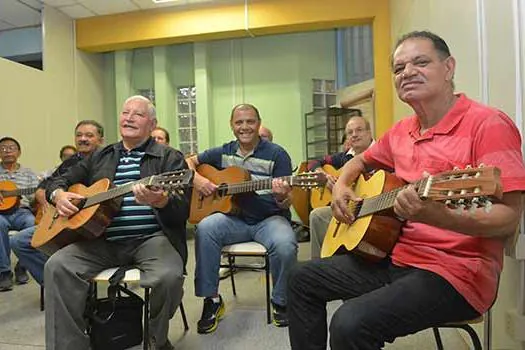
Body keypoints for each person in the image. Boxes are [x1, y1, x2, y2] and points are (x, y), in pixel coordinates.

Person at [287, 31, 525, 350]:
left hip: (457, 272)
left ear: (449, 67)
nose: (407, 72)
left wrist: (437, 217)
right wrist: (343, 185)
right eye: (399, 69)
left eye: (421, 62)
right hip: (396, 257)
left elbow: (508, 218)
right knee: (300, 280)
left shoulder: (489, 125)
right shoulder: (401, 131)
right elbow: (358, 162)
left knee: (348, 322)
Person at [44, 96, 190, 350]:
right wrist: (58, 195)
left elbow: (181, 212)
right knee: (57, 266)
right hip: (101, 239)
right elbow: (59, 180)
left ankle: (156, 340)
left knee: (168, 277)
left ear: (152, 123)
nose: (129, 117)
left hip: (151, 239)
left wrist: (160, 202)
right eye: (125, 112)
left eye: (138, 114)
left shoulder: (169, 158)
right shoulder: (101, 155)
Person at [186, 103, 297, 333]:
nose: (244, 127)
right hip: (233, 219)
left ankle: (280, 300)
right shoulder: (223, 152)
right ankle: (212, 300)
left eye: (250, 121)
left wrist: (281, 196)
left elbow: (286, 203)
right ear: (232, 125)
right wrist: (197, 179)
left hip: (269, 219)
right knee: (205, 228)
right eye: (239, 122)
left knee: (286, 244)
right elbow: (188, 162)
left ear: (258, 123)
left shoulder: (277, 154)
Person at [9, 120, 104, 286]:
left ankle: (70, 286)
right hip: (63, 219)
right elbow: (45, 186)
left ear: (101, 140)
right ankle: (58, 286)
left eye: (89, 135)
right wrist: (48, 199)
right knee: (19, 241)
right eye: (79, 135)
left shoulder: (107, 159)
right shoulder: (70, 161)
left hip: (93, 222)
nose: (83, 139)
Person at [308, 115, 374, 258]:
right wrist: (324, 177)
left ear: (369, 132)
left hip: (371, 208)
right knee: (317, 215)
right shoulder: (344, 157)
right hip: (347, 207)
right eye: (350, 132)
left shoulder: (379, 154)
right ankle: (317, 267)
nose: (354, 135)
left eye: (359, 130)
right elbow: (313, 163)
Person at [0, 137, 40, 291]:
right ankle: (4, 272)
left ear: (19, 152)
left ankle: (22, 266)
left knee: (32, 224)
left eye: (11, 148)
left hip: (22, 211)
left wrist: (31, 197)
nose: (7, 151)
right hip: (1, 215)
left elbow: (35, 197)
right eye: (3, 148)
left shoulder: (28, 173)